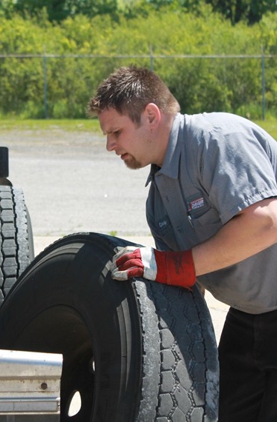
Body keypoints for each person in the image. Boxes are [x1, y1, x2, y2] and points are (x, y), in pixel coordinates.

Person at [88, 65, 277, 421]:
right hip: (250, 317)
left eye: (116, 132)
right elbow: (187, 287)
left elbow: (265, 223)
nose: (110, 145)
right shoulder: (157, 199)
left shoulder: (218, 139)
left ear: (151, 115)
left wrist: (176, 266)